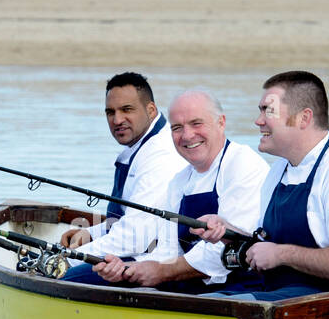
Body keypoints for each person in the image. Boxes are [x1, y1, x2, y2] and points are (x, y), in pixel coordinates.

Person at [197, 71, 329, 301]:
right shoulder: (279, 169)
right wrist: (227, 232)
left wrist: (282, 254)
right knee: (200, 301)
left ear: (304, 118)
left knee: (216, 306)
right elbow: (266, 246)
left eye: (268, 111)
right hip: (286, 295)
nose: (258, 120)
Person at [91, 89, 267, 292]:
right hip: (189, 283)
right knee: (86, 276)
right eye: (177, 128)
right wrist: (129, 268)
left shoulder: (242, 163)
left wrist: (161, 271)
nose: (187, 135)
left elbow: (224, 251)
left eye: (196, 123)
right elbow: (167, 250)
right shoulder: (180, 180)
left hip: (241, 286)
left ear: (221, 122)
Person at [59, 72, 186, 286]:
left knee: (62, 275)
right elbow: (128, 219)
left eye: (127, 110)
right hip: (141, 248)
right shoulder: (143, 145)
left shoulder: (161, 156)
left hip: (157, 263)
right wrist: (90, 233)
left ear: (151, 110)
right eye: (110, 112)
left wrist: (67, 258)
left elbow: (134, 237)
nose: (117, 120)